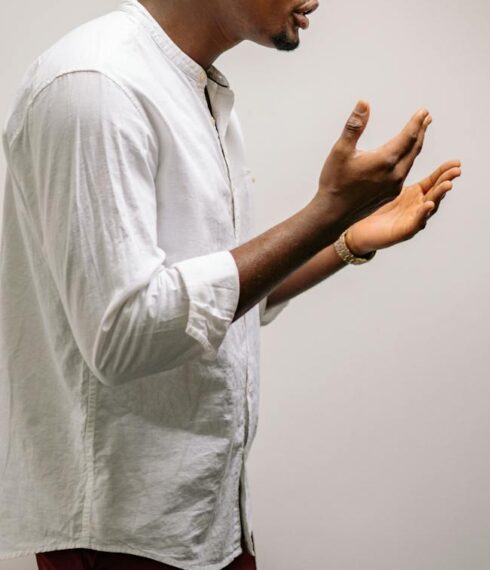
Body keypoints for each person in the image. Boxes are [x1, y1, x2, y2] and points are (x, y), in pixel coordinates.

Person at [0, 0, 461, 568]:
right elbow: (122, 335)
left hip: (205, 524)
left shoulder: (196, 90)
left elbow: (217, 299)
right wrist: (325, 214)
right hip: (120, 538)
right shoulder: (96, 86)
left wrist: (347, 236)